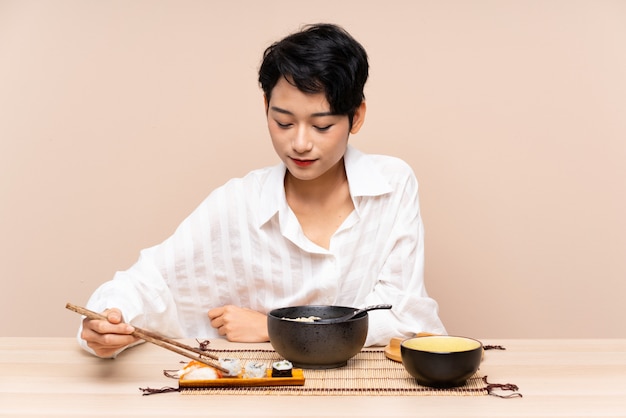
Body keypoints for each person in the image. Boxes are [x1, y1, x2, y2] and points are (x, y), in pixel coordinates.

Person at [79, 23, 446, 358]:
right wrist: (107, 321)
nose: (299, 143)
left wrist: (273, 327)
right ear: (266, 108)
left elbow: (406, 315)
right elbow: (147, 281)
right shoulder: (238, 202)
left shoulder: (392, 183)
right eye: (283, 122)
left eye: (321, 126)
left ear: (357, 116)